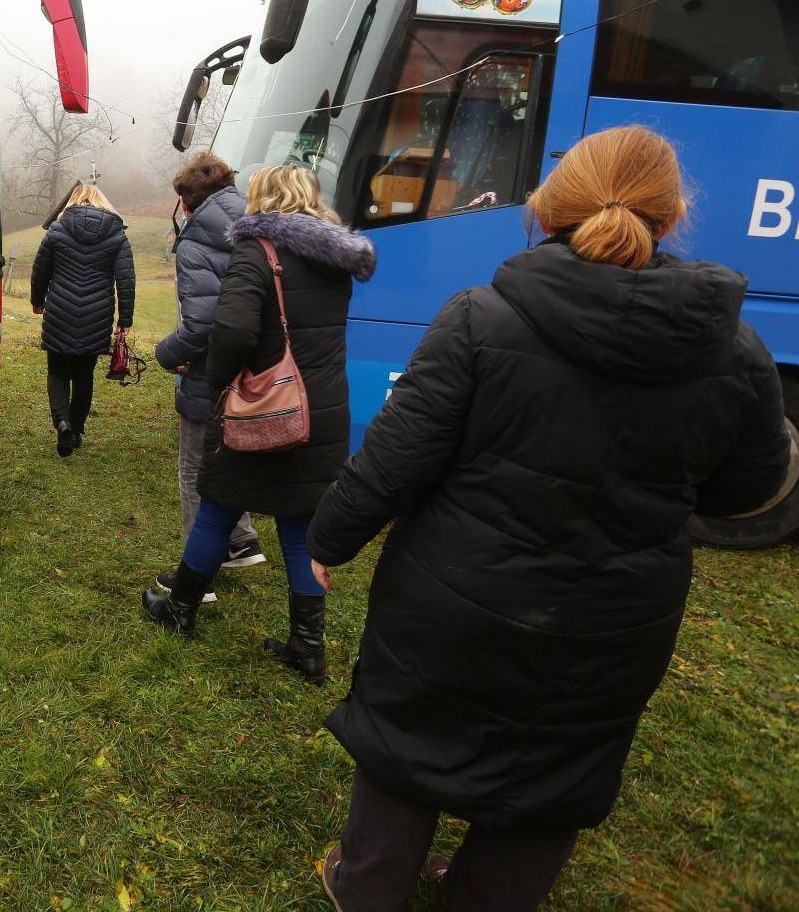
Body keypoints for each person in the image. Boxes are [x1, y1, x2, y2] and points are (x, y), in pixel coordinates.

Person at [308, 125, 790, 911]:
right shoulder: (738, 352)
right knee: (561, 764)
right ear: (671, 218)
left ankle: (365, 888)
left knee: (409, 739)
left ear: (548, 210)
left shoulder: (478, 316)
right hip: (617, 618)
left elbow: (396, 457)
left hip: (453, 598)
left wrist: (330, 537)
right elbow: (748, 490)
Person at [143, 163, 375, 683]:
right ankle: (307, 647)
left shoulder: (257, 248)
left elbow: (233, 331)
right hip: (320, 409)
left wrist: (222, 384)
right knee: (299, 527)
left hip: (264, 406)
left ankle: (180, 610)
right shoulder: (335, 256)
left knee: (216, 508)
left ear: (264, 198)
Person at [155, 152, 264, 588]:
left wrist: (168, 351)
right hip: (253, 370)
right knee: (228, 458)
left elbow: (201, 323)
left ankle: (196, 577)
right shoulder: (259, 225)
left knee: (194, 469)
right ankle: (241, 541)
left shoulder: (199, 241)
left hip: (210, 372)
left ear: (186, 200)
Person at [30, 182, 135, 457]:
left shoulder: (57, 230)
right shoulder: (117, 235)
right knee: (84, 375)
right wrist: (125, 319)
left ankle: (61, 422)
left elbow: (40, 269)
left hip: (60, 311)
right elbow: (126, 280)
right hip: (97, 314)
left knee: (57, 371)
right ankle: (75, 430)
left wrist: (37, 301)